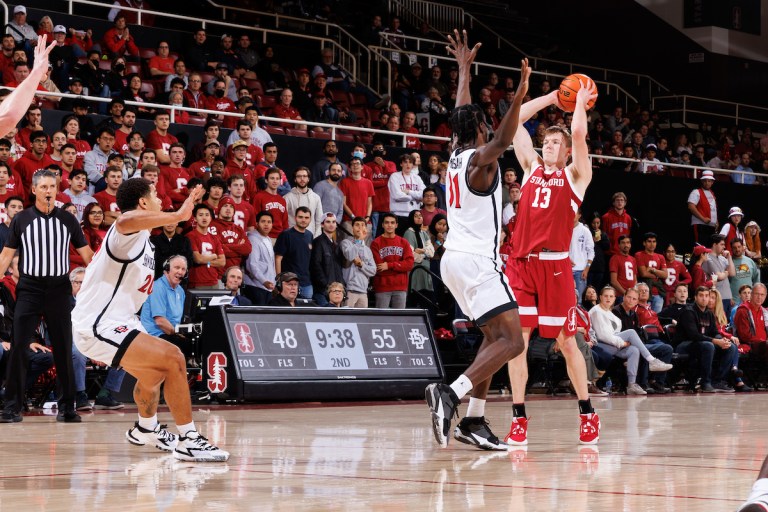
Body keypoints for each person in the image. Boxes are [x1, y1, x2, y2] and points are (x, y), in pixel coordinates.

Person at [425, 30, 530, 451]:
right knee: (513, 340)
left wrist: (464, 69)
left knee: (493, 338)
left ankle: (474, 421)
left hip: (453, 260)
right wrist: (518, 95)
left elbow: (462, 112)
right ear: (482, 129)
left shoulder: (455, 152)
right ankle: (450, 394)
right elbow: (504, 140)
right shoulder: (481, 163)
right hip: (475, 262)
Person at [71, 178, 228, 460]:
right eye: (154, 194)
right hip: (97, 322)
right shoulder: (126, 230)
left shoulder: (145, 240)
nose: (160, 197)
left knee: (152, 374)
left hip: (123, 320)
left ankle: (145, 429)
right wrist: (180, 215)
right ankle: (189, 438)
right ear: (143, 203)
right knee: (173, 357)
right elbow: (124, 220)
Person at [0, 170, 94, 423]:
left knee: (63, 347)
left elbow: (88, 256)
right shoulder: (22, 219)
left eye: (52, 186)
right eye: (43, 186)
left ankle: (67, 406)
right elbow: (7, 255)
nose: (49, 190)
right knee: (19, 345)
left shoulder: (68, 220)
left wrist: (100, 283)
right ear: (34, 190)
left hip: (58, 289)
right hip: (29, 288)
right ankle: (12, 407)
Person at [589, 286, 672, 395]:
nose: (608, 298)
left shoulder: (610, 314)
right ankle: (651, 360)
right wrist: (622, 343)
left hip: (613, 345)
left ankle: (631, 385)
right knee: (631, 333)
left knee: (634, 350)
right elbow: (602, 336)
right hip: (600, 345)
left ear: (614, 298)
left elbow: (614, 334)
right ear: (600, 297)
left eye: (611, 296)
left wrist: (624, 343)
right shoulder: (596, 311)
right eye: (605, 296)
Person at [674, 286, 738, 393]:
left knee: (730, 347)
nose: (704, 298)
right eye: (701, 296)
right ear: (695, 297)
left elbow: (715, 333)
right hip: (683, 345)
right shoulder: (688, 311)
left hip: (702, 344)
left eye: (706, 296)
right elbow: (694, 335)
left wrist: (722, 340)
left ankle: (717, 381)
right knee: (708, 345)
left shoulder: (709, 314)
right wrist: (715, 341)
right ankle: (705, 382)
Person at [370, 213, 414, 309]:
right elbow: (379, 268)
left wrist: (389, 265)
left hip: (400, 287)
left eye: (392, 223)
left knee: (399, 320)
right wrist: (400, 267)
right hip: (382, 287)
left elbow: (409, 264)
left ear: (396, 225)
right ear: (382, 225)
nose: (389, 225)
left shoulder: (404, 242)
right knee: (382, 319)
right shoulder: (375, 243)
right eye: (387, 222)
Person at [340, 216, 376, 308]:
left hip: (364, 292)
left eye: (363, 225)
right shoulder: (346, 243)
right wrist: (359, 241)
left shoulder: (368, 250)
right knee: (347, 320)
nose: (360, 228)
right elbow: (350, 256)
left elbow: (373, 271)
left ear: (366, 228)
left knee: (362, 321)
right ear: (352, 228)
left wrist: (362, 265)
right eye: (357, 225)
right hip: (349, 290)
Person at [309, 212, 344, 306]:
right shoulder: (318, 242)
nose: (331, 224)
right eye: (328, 222)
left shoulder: (336, 245)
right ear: (322, 224)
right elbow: (315, 266)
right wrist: (326, 285)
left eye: (333, 222)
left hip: (335, 290)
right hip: (323, 291)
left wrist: (341, 285)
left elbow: (338, 268)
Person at [244, 211, 275, 305]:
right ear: (257, 224)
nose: (266, 224)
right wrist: (264, 281)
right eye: (263, 221)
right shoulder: (253, 239)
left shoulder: (268, 239)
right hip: (256, 286)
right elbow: (252, 264)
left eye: (269, 222)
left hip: (267, 286)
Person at [634, 232, 668, 313]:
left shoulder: (661, 257)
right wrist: (658, 275)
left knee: (656, 318)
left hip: (658, 294)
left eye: (654, 241)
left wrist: (653, 270)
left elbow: (665, 275)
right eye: (649, 241)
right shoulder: (639, 255)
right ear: (644, 243)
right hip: (644, 293)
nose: (652, 244)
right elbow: (643, 273)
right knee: (643, 317)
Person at [702, 234, 736, 312]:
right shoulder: (708, 259)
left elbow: (732, 273)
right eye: (722, 244)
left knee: (726, 323)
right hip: (717, 298)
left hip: (727, 296)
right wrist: (726, 273)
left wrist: (729, 257)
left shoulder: (722, 258)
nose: (724, 247)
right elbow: (719, 277)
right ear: (714, 245)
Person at [570, 208, 594, 300]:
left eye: (575, 213)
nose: (572, 215)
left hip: (580, 271)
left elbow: (591, 251)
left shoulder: (585, 230)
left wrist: (587, 269)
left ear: (579, 215)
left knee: (579, 300)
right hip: (565, 269)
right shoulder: (563, 228)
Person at [688, 170, 718, 245]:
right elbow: (691, 206)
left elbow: (713, 209)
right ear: (702, 181)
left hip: (710, 226)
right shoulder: (696, 192)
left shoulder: (712, 193)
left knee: (709, 248)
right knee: (699, 247)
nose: (707, 183)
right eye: (705, 181)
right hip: (700, 225)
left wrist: (716, 221)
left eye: (709, 181)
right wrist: (703, 218)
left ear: (712, 182)